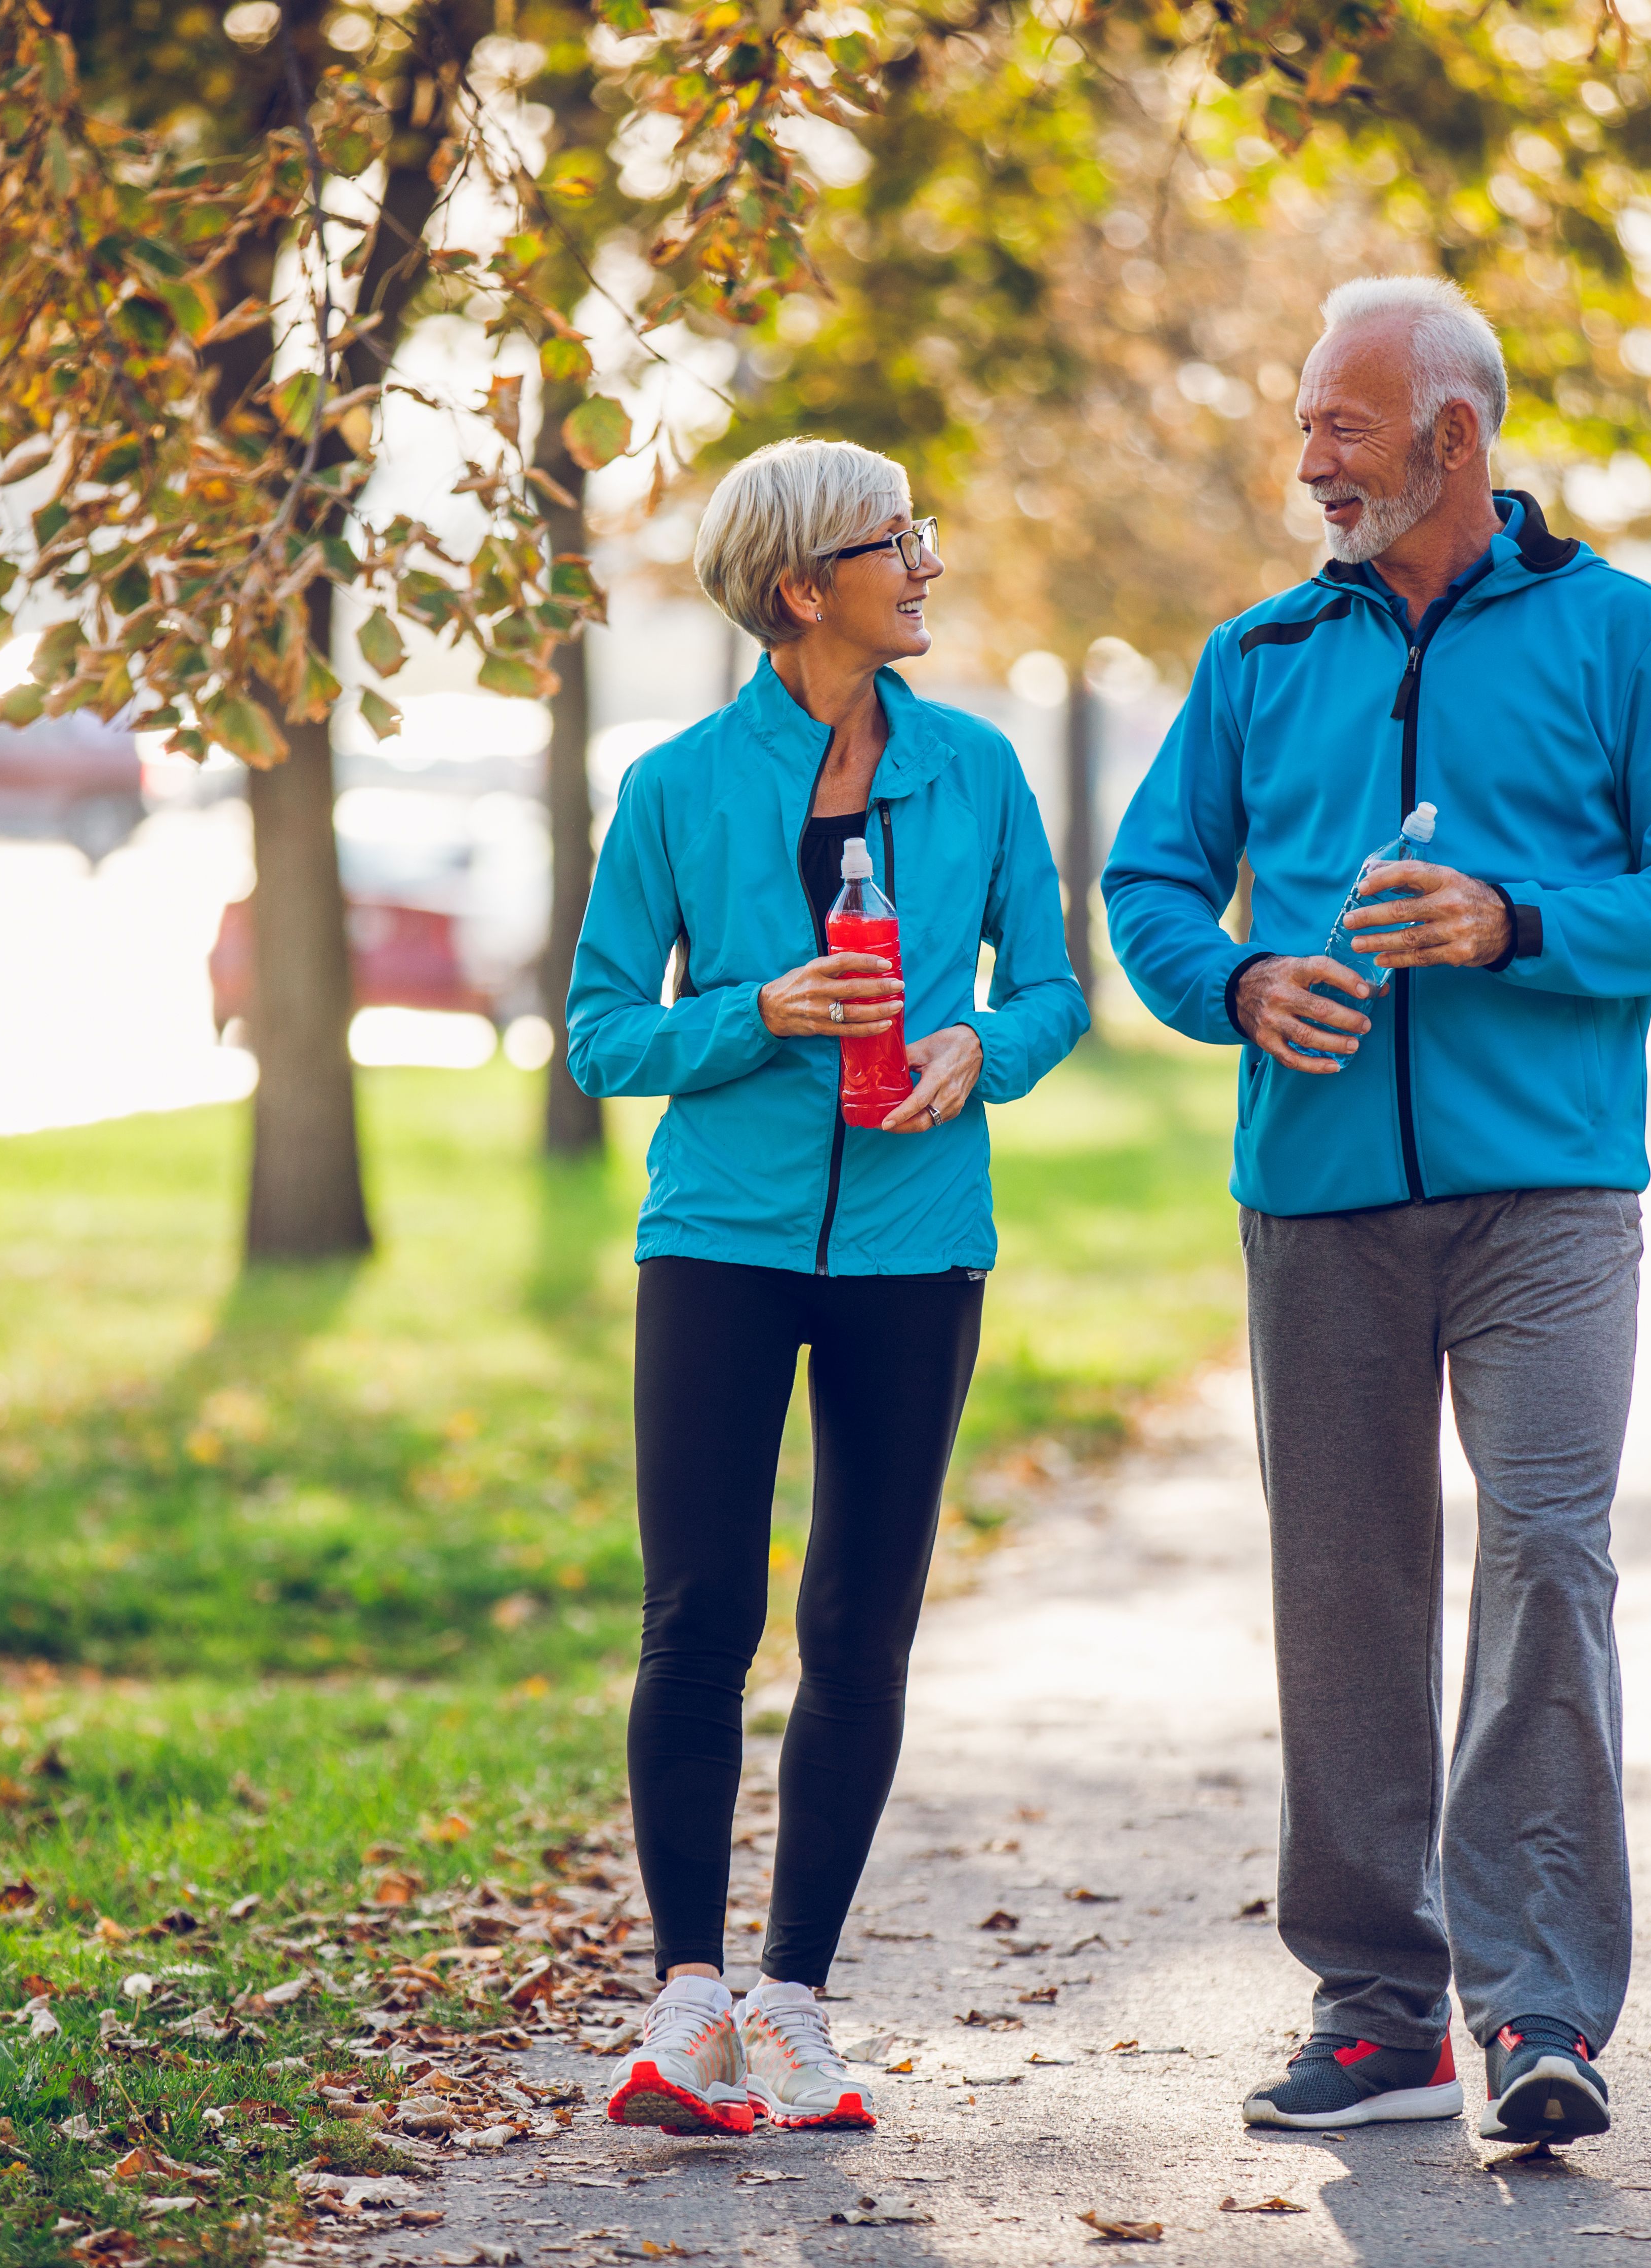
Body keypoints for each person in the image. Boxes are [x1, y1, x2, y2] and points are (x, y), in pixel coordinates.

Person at [1102, 276, 1651, 2143]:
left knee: (1549, 1562)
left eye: (1343, 426)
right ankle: (1380, 2006)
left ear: (1455, 441)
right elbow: (1152, 882)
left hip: (1550, 1193)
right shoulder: (1258, 658)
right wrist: (1236, 984)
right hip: (1315, 1197)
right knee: (1348, 1589)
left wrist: (1521, 922)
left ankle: (1541, 2011)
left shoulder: (1624, 635)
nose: (1309, 459)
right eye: (1310, 422)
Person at [565, 436, 1091, 2134]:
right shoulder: (675, 789)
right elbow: (595, 1031)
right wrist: (754, 1017)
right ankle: (685, 2002)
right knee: (696, 1622)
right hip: (717, 1236)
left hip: (915, 1247)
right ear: (805, 589)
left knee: (861, 1630)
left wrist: (978, 1051)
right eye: (897, 541)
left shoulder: (980, 773)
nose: (927, 564)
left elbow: (1056, 994)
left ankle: (794, 2002)